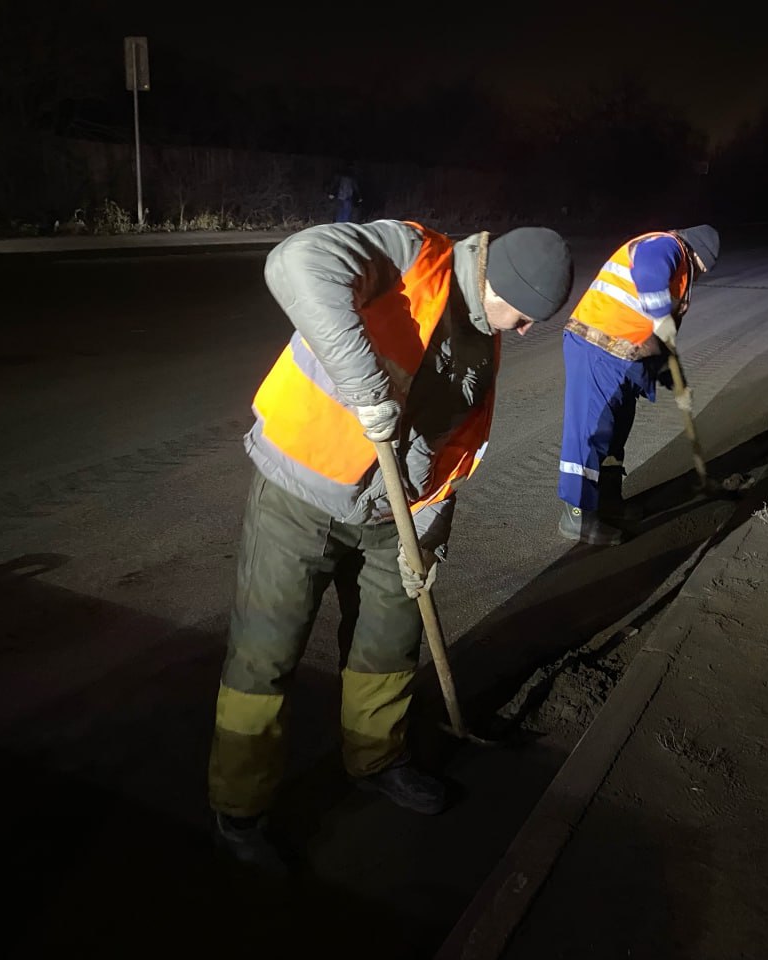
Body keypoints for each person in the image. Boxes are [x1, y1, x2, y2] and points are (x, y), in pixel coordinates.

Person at [209, 219, 573, 873]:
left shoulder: (482, 341)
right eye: (521, 317)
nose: (522, 333)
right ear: (497, 280)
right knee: (265, 654)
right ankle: (240, 808)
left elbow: (453, 452)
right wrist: (367, 389)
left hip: (394, 516)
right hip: (304, 488)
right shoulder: (410, 254)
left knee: (388, 642)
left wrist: (427, 542)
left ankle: (376, 759)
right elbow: (294, 263)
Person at [556, 225, 720, 545]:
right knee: (592, 432)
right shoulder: (665, 246)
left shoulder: (679, 269)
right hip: (597, 346)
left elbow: (656, 333)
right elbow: (648, 269)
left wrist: (662, 369)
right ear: (696, 255)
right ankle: (577, 516)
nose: (697, 276)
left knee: (617, 431)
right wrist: (660, 314)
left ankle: (608, 500)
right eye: (700, 269)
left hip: (626, 355)